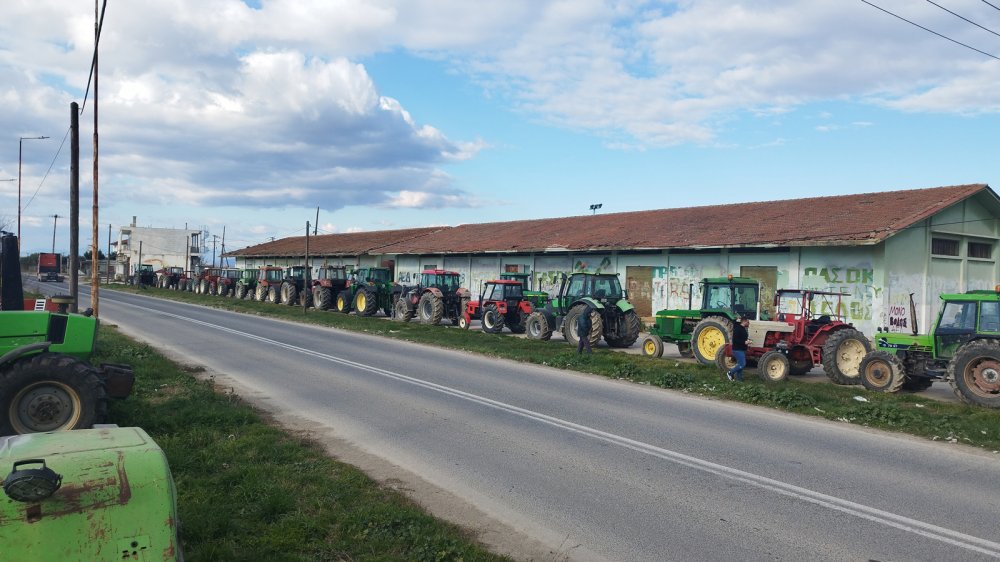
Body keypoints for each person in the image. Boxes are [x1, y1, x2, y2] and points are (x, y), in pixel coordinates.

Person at [727, 316, 752, 381]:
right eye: (748, 322)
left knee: (740, 364)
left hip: (742, 349)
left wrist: (748, 341)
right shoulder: (738, 329)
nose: (749, 323)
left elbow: (742, 338)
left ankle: (739, 379)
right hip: (737, 349)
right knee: (742, 364)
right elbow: (735, 340)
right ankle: (730, 372)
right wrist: (745, 342)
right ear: (744, 321)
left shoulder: (743, 329)